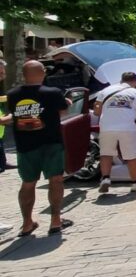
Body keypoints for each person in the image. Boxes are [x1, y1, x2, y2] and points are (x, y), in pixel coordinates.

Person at [1, 60, 73, 236]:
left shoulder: (13, 94)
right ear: (42, 73)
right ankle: (55, 220)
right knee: (55, 180)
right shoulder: (53, 92)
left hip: (25, 145)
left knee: (27, 183)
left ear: (24, 75)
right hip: (51, 143)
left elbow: (16, 115)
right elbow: (63, 111)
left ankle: (27, 223)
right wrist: (68, 103)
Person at [94, 72, 136, 193]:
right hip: (127, 128)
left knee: (106, 154)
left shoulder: (106, 90)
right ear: (135, 82)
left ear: (121, 80)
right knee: (132, 156)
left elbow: (96, 111)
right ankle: (135, 183)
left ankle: (106, 179)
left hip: (107, 128)